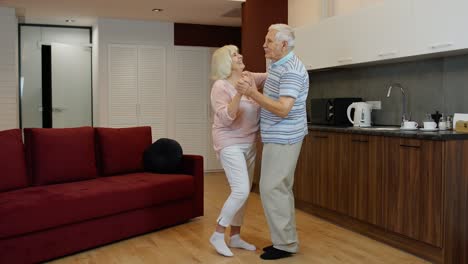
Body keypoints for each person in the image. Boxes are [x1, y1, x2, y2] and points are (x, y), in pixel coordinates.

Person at [236, 24, 309, 260]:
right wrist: (250, 81)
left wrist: (252, 93)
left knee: (272, 189)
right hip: (276, 136)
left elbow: (283, 109)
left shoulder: (292, 70)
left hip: (285, 137)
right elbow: (270, 85)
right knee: (278, 189)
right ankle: (284, 241)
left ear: (284, 45)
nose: (263, 44)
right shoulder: (279, 65)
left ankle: (286, 244)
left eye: (269, 41)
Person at [209, 45, 266, 257]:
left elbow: (272, 76)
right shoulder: (220, 87)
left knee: (243, 192)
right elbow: (226, 117)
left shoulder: (249, 77)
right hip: (229, 142)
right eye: (234, 54)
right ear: (226, 63)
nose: (240, 55)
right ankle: (217, 233)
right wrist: (240, 95)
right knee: (241, 189)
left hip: (250, 143)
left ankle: (234, 236)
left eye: (238, 52)